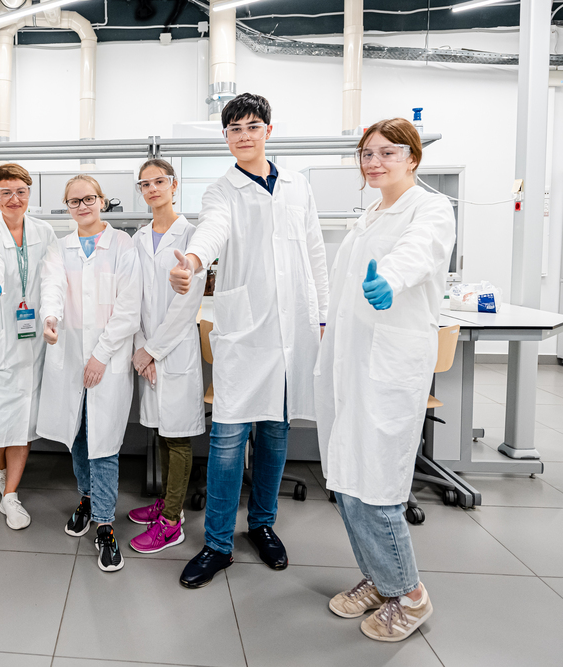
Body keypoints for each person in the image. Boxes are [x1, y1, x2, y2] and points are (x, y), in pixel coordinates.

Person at [169, 93, 329, 588]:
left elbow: (316, 252)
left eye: (252, 126)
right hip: (246, 332)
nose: (243, 135)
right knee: (227, 440)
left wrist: (323, 315)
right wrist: (193, 261)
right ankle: (218, 544)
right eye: (234, 128)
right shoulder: (222, 191)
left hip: (292, 330)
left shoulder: (298, 187)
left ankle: (262, 525)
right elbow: (212, 232)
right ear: (226, 137)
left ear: (268, 130)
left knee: (276, 433)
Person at [316, 118, 452, 642]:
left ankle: (410, 594)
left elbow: (415, 253)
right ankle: (379, 579)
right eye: (367, 154)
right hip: (352, 363)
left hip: (388, 368)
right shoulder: (370, 215)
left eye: (388, 152)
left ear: (413, 158)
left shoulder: (431, 209)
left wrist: (390, 280)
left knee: (376, 486)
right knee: (348, 479)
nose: (374, 162)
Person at [38, 174, 142, 572]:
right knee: (78, 435)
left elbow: (129, 308)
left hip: (107, 359)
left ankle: (105, 525)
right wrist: (50, 318)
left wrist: (100, 355)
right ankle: (87, 497)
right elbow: (52, 287)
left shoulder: (122, 245)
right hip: (69, 357)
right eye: (74, 201)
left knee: (104, 443)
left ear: (102, 201)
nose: (82, 206)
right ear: (67, 207)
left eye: (89, 199)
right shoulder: (59, 247)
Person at [0, 164, 56, 529]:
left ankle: (11, 494)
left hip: (30, 341)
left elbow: (51, 278)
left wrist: (51, 315)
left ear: (29, 193)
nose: (14, 199)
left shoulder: (44, 231)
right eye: (6, 192)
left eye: (20, 191)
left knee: (22, 423)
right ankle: (0, 466)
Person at [127, 160, 205, 554]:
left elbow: (186, 306)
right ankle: (165, 503)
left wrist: (152, 350)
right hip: (149, 347)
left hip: (174, 349)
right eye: (145, 183)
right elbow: (136, 296)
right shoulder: (139, 238)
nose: (153, 188)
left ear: (174, 185)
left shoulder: (193, 236)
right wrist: (143, 347)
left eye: (160, 181)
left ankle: (172, 522)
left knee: (177, 436)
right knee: (160, 429)